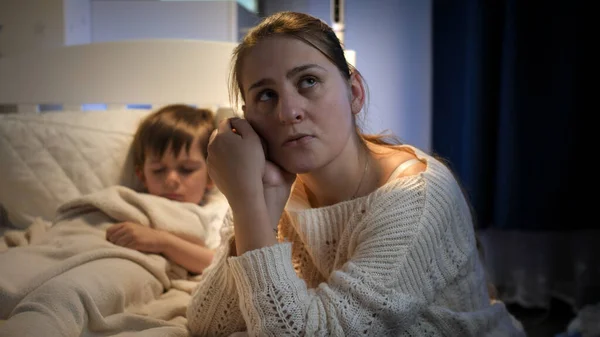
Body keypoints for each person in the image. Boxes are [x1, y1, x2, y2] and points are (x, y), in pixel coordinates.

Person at [187, 11, 526, 336]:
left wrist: (247, 203)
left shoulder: (416, 198)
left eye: (308, 81)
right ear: (247, 117)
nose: (288, 112)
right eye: (266, 95)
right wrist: (259, 207)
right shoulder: (273, 188)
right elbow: (208, 322)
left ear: (354, 92)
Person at [106, 104, 218, 275]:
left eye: (186, 169)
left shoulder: (215, 214)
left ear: (211, 175)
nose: (171, 180)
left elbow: (216, 263)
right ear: (142, 175)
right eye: (158, 170)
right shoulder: (134, 204)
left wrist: (162, 241)